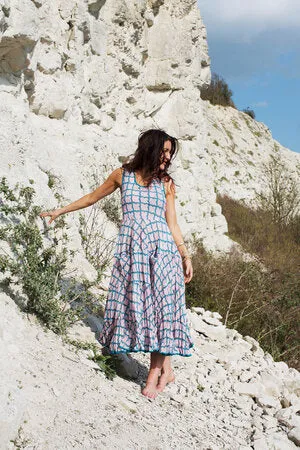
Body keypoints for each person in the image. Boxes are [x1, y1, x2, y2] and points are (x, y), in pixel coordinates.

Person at [40, 129, 194, 399]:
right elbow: (92, 197)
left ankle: (153, 375)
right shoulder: (121, 175)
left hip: (163, 253)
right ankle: (166, 368)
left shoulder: (166, 183)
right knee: (141, 308)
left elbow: (172, 223)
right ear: (150, 148)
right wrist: (60, 210)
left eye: (170, 152)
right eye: (165, 150)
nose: (168, 157)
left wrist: (185, 255)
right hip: (132, 253)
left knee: (163, 311)